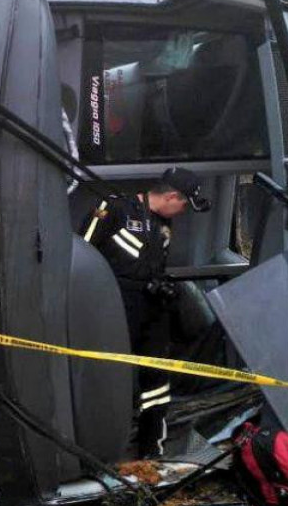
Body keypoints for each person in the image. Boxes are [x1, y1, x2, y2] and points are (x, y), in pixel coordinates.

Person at [81, 166, 210, 458]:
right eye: (183, 205)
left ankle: (152, 449)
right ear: (172, 196)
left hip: (150, 311)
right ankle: (99, 450)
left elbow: (154, 264)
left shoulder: (163, 225)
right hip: (110, 307)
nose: (182, 212)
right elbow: (80, 254)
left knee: (156, 381)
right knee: (108, 377)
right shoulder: (114, 209)